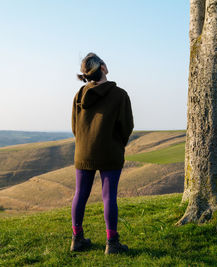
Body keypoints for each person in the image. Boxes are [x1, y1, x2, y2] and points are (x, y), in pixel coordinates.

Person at [70, 53, 134, 254]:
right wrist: (117, 144)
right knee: (109, 197)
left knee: (80, 194)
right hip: (110, 152)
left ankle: (76, 239)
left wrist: (84, 143)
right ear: (103, 68)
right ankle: (112, 243)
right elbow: (127, 126)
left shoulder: (79, 95)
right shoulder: (119, 95)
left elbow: (74, 127)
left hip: (83, 152)